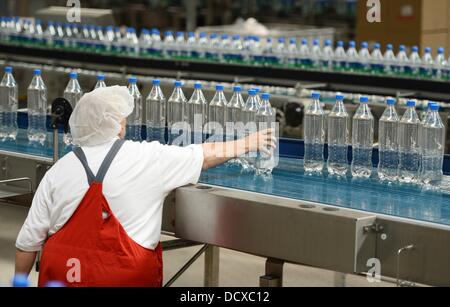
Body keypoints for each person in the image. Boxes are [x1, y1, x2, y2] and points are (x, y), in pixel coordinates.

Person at [14, 85, 276, 287]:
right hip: (121, 278)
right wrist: (247, 143)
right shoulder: (146, 157)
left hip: (62, 277)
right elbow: (203, 155)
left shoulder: (59, 169)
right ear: (117, 126)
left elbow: (27, 243)